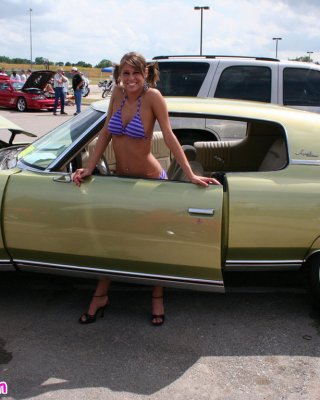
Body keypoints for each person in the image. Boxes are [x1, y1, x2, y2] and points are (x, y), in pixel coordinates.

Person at [72, 51, 220, 327]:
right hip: (122, 183)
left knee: (153, 245)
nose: (130, 79)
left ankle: (156, 298)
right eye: (125, 73)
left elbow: (170, 135)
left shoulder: (153, 98)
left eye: (135, 73)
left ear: (146, 73)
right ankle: (100, 296)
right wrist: (90, 167)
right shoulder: (116, 93)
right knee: (112, 244)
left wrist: (190, 175)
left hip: (152, 183)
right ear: (119, 75)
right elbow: (105, 133)